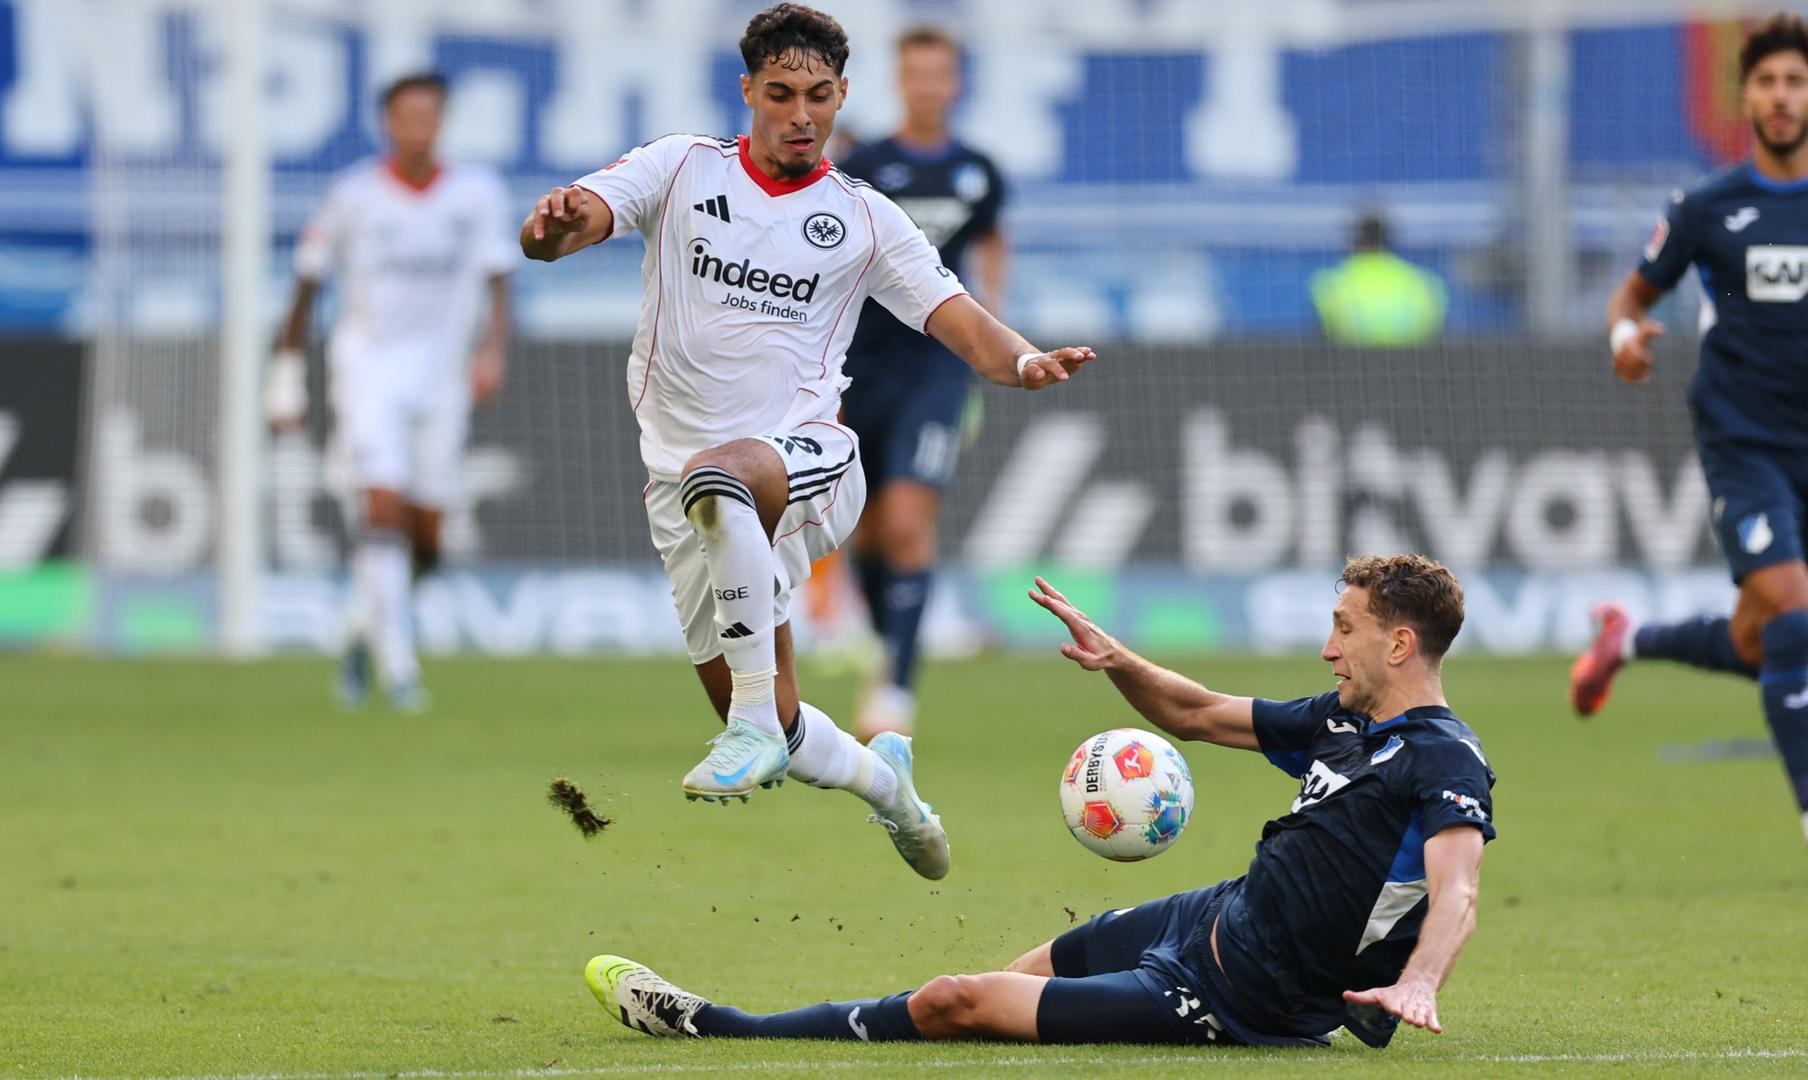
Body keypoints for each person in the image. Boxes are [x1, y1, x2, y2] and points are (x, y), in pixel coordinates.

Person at [517, 4, 1093, 880]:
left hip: (811, 460)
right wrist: (552, 228)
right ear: (747, 90)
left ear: (842, 96)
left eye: (818, 96)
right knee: (779, 719)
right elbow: (575, 220)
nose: (800, 114)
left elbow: (960, 320)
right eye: (780, 93)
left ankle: (753, 725)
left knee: (724, 490)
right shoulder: (680, 168)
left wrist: (1023, 361)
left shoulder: (865, 217)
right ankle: (888, 786)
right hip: (682, 492)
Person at [582, 554, 1494, 1048]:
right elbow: (1195, 713)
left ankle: (724, 1028)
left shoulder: (1442, 760)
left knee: (957, 1001)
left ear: (1401, 644)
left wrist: (1417, 983)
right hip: (1219, 912)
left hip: (1237, 993)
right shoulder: (1340, 720)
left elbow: (1456, 891)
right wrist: (1117, 658)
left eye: (1346, 629)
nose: (1329, 647)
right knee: (1018, 973)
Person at [1575, 13, 1808, 883]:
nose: (1779, 96)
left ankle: (1628, 639)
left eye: (1794, 82)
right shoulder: (1708, 207)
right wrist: (1624, 339)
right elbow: (1630, 297)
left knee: (1764, 642)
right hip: (1739, 438)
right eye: (1765, 81)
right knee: (1794, 619)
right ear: (1747, 95)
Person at [267, 72, 516, 713]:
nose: (419, 127)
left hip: (442, 378)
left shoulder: (478, 193)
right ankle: (401, 670)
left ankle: (360, 633)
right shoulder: (352, 195)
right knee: (381, 510)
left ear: (442, 122)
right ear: (388, 124)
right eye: (407, 116)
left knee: (428, 539)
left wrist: (491, 351)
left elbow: (497, 279)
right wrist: (286, 379)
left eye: (431, 115)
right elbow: (306, 284)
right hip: (369, 372)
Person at [835, 25, 1008, 740]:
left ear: (956, 82)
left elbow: (992, 240)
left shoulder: (978, 172)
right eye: (917, 74)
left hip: (936, 366)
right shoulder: (867, 166)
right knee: (866, 533)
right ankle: (889, 642)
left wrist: (990, 328)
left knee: (908, 522)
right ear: (901, 81)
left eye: (941, 73)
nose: (929, 85)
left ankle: (897, 693)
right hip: (862, 366)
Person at [1309, 211, 1447, 347]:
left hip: (1353, 363)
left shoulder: (1332, 283)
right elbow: (1434, 334)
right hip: (1414, 363)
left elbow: (1324, 336)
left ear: (1353, 240)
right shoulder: (1421, 281)